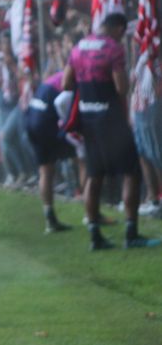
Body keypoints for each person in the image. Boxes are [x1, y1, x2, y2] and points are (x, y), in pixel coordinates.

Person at [62, 13, 159, 251]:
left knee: (94, 175)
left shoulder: (78, 47)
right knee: (131, 172)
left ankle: (95, 235)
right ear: (117, 28)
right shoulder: (113, 49)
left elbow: (66, 84)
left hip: (88, 117)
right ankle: (131, 233)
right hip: (111, 118)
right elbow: (122, 87)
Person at [25, 71, 75, 233]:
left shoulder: (55, 77)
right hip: (45, 122)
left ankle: (49, 219)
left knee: (45, 170)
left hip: (31, 120)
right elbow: (64, 104)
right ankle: (92, 213)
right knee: (81, 156)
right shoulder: (72, 79)